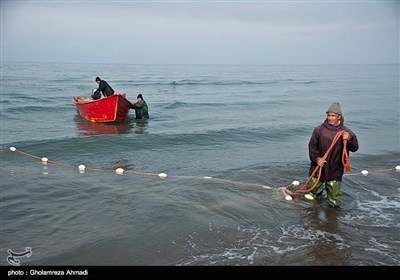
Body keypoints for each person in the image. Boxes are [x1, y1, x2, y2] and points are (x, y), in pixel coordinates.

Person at [306, 102, 359, 207]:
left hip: (335, 169)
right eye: (328, 115)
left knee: (334, 200)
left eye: (333, 116)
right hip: (318, 168)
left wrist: (350, 139)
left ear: (339, 116)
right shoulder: (319, 130)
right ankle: (314, 214)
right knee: (313, 194)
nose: (330, 118)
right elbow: (312, 146)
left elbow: (354, 148)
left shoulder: (347, 132)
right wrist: (317, 159)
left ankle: (332, 219)